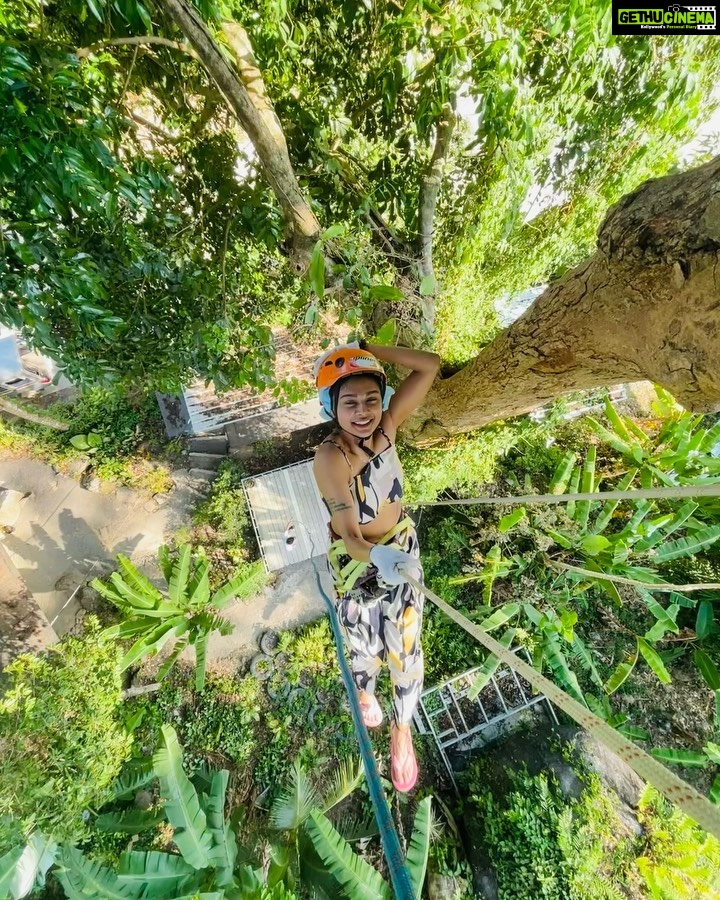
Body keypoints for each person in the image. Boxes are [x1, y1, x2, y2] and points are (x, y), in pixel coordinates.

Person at [312, 340, 441, 792]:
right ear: (333, 407)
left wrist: (370, 349)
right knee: (364, 642)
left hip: (400, 546)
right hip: (359, 562)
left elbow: (429, 367)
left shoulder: (386, 428)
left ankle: (401, 729)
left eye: (371, 398)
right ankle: (366, 692)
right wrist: (376, 555)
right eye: (349, 403)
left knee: (406, 645)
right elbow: (349, 534)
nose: (363, 411)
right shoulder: (331, 457)